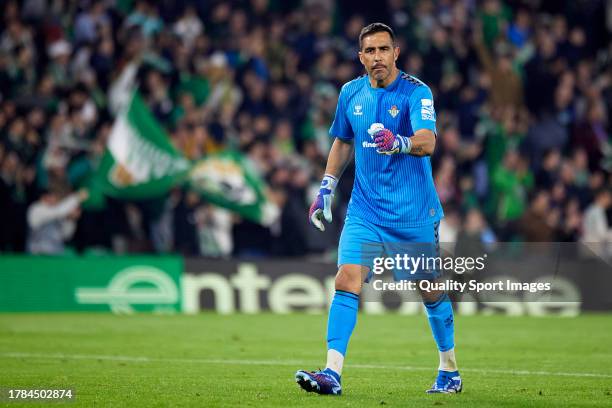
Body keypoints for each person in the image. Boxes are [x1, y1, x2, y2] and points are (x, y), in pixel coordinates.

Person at [295, 23, 461, 395]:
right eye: (369, 51)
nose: (377, 57)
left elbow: (428, 141)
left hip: (413, 214)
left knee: (429, 290)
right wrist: (326, 188)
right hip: (365, 211)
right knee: (346, 280)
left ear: (396, 53)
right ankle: (331, 373)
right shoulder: (350, 93)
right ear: (360, 57)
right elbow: (342, 140)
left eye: (383, 49)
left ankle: (449, 369)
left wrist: (399, 142)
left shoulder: (417, 92)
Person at [26, 189, 89, 254]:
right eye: (54, 197)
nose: (56, 200)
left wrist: (69, 219)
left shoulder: (57, 212)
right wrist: (76, 198)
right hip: (37, 254)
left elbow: (66, 236)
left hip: (56, 253)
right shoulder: (36, 209)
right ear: (44, 197)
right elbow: (58, 212)